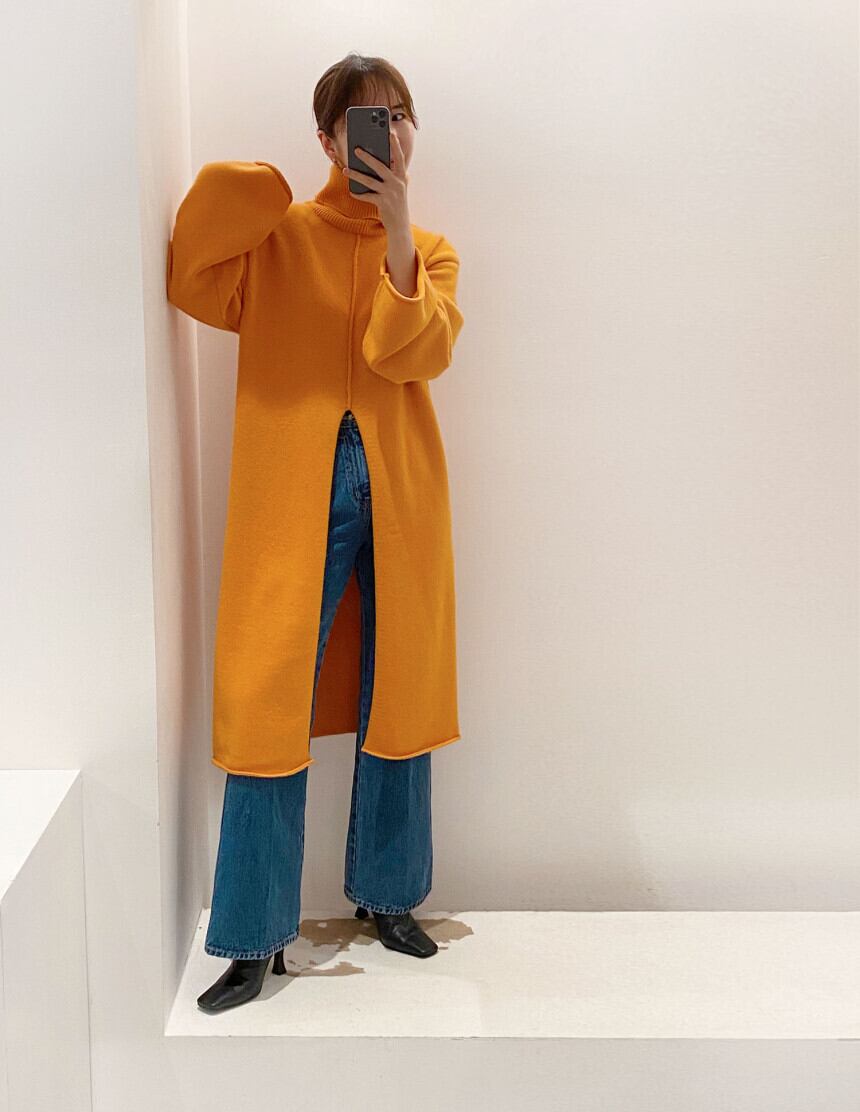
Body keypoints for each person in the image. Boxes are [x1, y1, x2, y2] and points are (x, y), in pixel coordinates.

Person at [166, 52, 465, 1014]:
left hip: (400, 497)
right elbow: (192, 277)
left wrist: (396, 227)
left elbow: (406, 350)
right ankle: (253, 936)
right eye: (363, 121)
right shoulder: (277, 240)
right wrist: (260, 186)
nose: (385, 134)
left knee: (399, 691)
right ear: (329, 138)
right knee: (267, 702)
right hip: (289, 502)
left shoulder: (431, 253)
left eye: (397, 117)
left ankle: (389, 896)